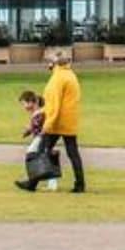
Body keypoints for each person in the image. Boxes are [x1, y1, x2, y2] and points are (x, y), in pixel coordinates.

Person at [36, 50, 86, 194]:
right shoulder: (70, 74)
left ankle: (33, 181)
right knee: (73, 153)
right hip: (70, 120)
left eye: (49, 63)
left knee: (42, 150)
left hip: (58, 122)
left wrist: (47, 124)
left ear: (54, 64)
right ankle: (80, 183)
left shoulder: (58, 78)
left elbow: (54, 104)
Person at [14, 88, 60, 191]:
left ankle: (31, 180)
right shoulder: (37, 113)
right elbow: (35, 126)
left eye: (24, 103)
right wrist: (29, 130)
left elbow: (39, 126)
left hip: (42, 137)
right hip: (41, 137)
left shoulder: (40, 113)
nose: (24, 107)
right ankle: (48, 184)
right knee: (47, 158)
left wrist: (29, 128)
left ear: (31, 102)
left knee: (32, 155)